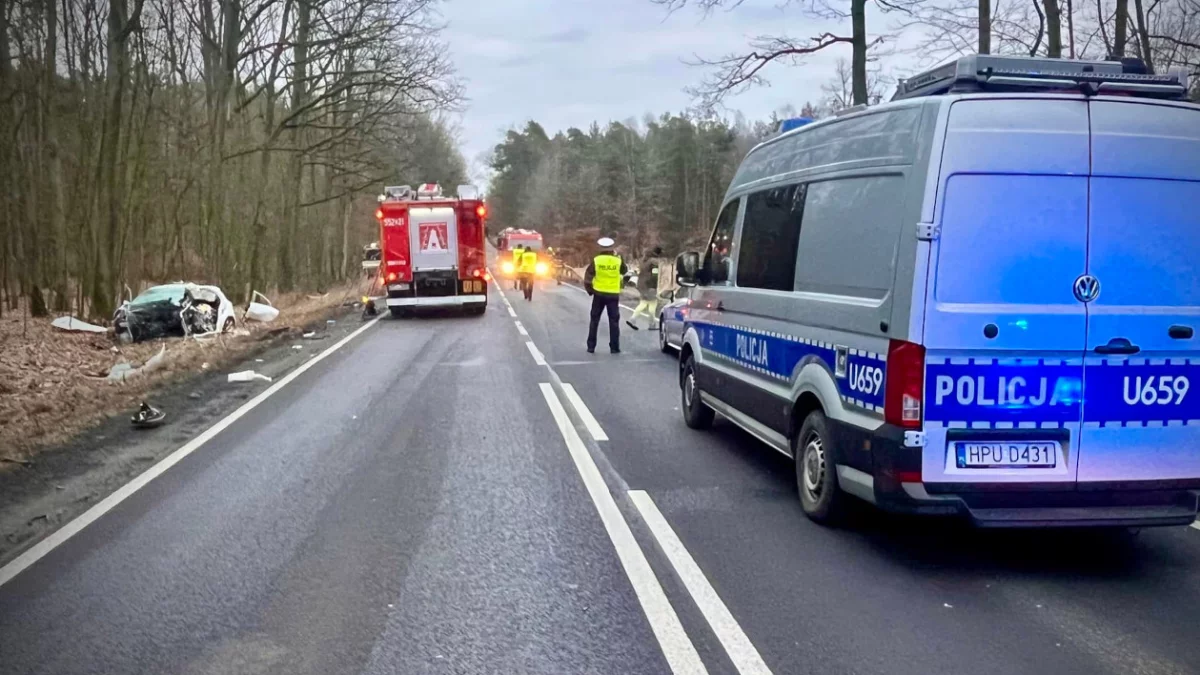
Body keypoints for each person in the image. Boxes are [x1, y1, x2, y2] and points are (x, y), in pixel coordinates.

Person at [584, 237, 628, 354]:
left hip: (598, 294)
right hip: (613, 295)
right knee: (614, 322)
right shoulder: (617, 261)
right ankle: (614, 347)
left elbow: (588, 277)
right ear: (612, 248)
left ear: (600, 248)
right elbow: (624, 270)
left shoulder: (597, 260)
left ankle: (591, 346)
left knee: (594, 320)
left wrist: (590, 290)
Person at [626, 247, 663, 331]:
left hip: (641, 285)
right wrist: (653, 287)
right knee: (653, 304)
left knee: (643, 303)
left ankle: (632, 319)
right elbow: (654, 275)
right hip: (649, 285)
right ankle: (652, 324)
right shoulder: (654, 262)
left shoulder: (643, 261)